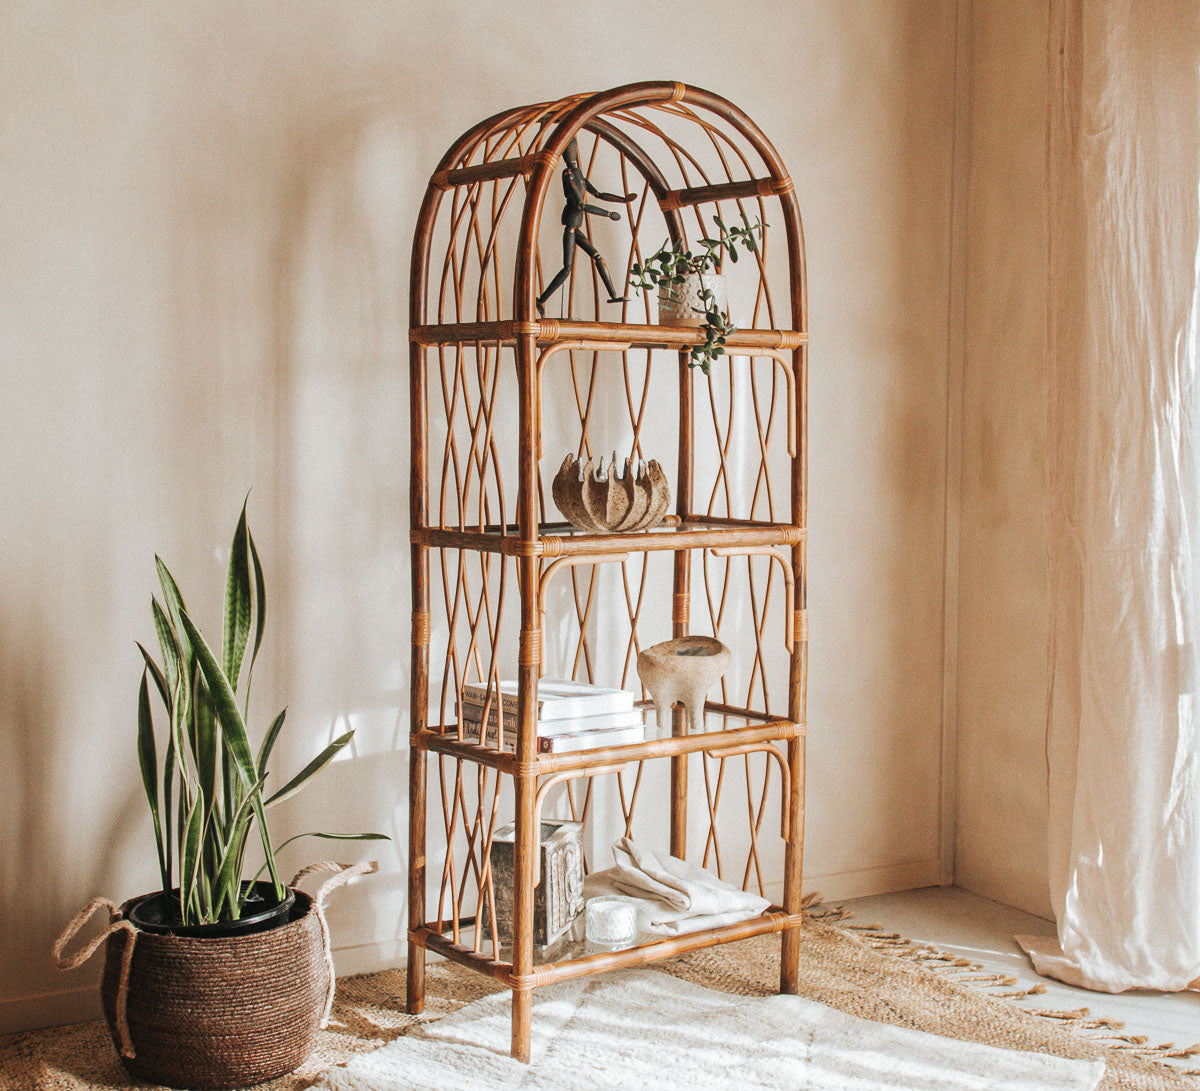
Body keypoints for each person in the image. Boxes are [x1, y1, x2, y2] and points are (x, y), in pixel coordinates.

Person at [537, 138, 635, 317]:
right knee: (567, 268)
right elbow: (581, 204)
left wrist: (622, 200)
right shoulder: (569, 174)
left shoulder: (578, 173)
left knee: (597, 257)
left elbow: (598, 194)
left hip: (576, 225)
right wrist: (607, 214)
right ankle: (541, 299)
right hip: (571, 224)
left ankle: (613, 295)